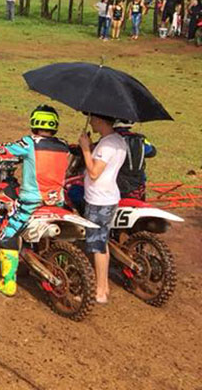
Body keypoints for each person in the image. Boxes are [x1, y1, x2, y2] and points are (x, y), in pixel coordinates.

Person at [0, 105, 70, 297]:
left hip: (32, 203)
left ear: (34, 122)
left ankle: (7, 283)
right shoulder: (63, 145)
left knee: (6, 235)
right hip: (57, 201)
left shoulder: (29, 143)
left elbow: (3, 150)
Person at [78, 113, 127, 304]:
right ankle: (104, 286)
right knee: (102, 242)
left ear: (100, 120)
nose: (90, 121)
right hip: (108, 196)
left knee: (97, 246)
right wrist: (91, 147)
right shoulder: (117, 141)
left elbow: (94, 172)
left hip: (99, 200)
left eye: (92, 118)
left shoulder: (107, 145)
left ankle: (99, 292)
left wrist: (85, 148)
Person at [114, 121, 156, 201]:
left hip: (117, 184)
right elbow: (152, 152)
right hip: (138, 185)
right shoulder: (139, 138)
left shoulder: (111, 139)